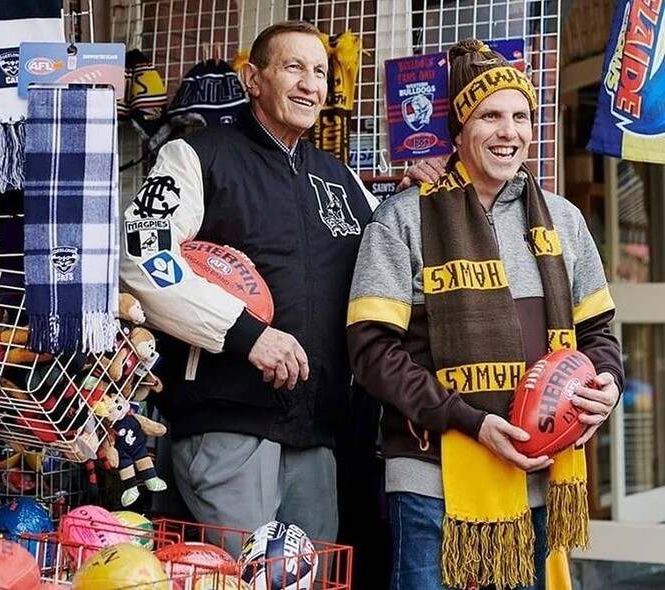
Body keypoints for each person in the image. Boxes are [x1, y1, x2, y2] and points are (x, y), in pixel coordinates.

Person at [346, 38, 624, 590]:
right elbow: (372, 350)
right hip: (431, 477)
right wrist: (467, 420)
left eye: (520, 116)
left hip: (539, 473)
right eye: (490, 115)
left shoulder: (564, 222)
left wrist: (608, 383)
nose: (509, 131)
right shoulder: (403, 218)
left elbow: (597, 333)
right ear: (459, 129)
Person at [119, 20, 381, 557]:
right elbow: (140, 257)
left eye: (320, 72)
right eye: (293, 67)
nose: (311, 84)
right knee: (236, 579)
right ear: (252, 79)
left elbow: (389, 271)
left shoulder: (340, 177)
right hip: (228, 428)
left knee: (313, 581)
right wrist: (246, 334)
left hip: (320, 435)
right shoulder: (195, 156)